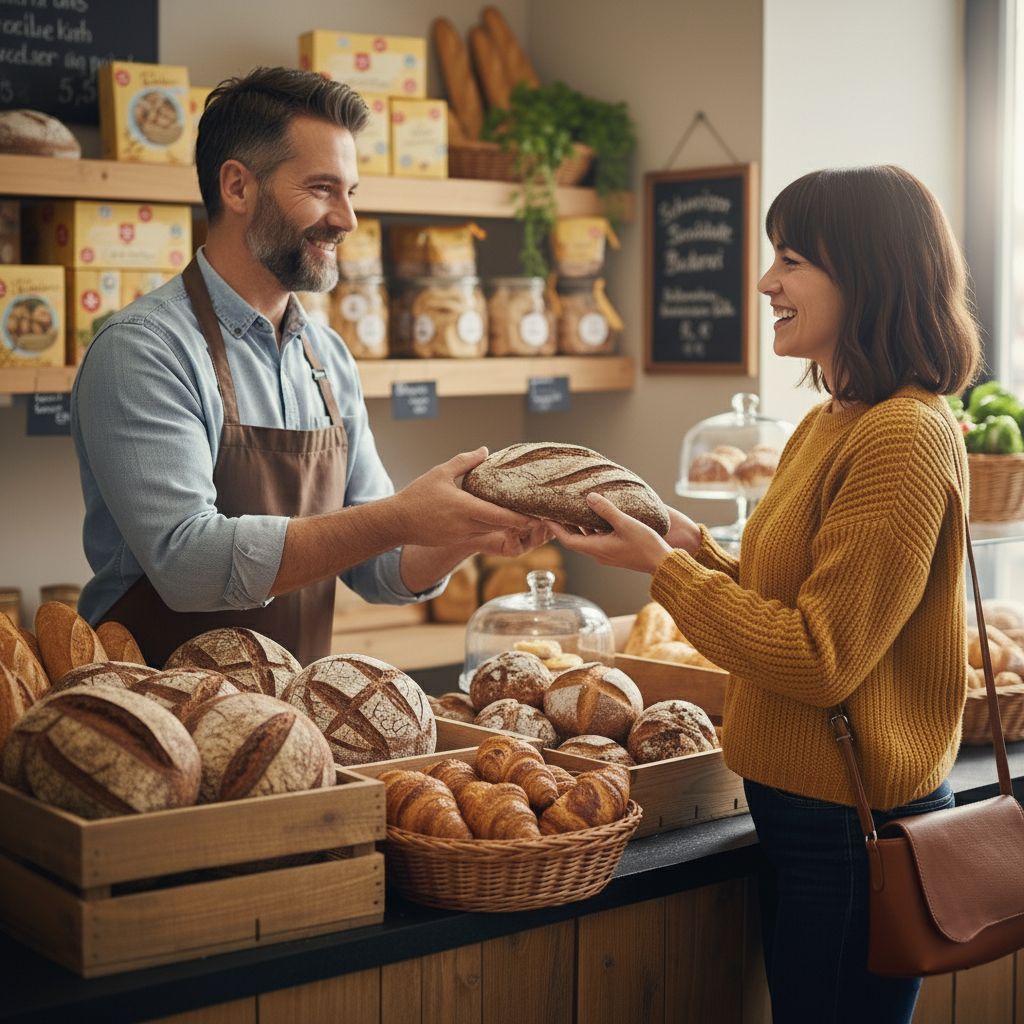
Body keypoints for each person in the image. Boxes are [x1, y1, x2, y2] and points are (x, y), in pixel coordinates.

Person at [546, 165, 981, 1023]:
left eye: (790, 260)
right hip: (805, 809)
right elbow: (792, 596)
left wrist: (662, 573)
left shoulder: (902, 434)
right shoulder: (832, 422)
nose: (764, 283)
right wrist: (687, 543)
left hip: (853, 826)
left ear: (867, 274)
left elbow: (820, 658)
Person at [71, 66, 547, 667]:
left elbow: (379, 567)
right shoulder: (144, 349)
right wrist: (400, 516)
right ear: (238, 188)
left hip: (288, 720)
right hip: (152, 719)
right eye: (322, 189)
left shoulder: (327, 357)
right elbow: (187, 564)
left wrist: (461, 534)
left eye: (351, 193)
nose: (346, 219)